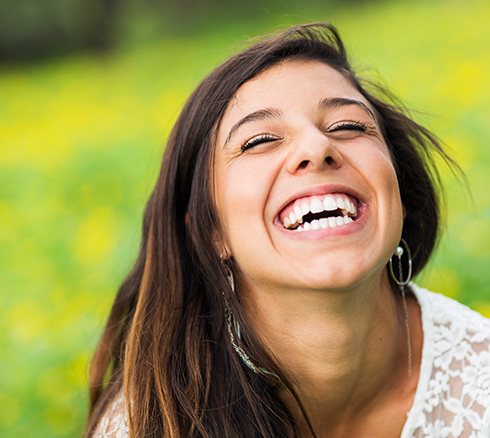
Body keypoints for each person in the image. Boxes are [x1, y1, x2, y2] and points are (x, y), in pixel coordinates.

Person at [84, 23, 490, 438]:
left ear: (400, 194)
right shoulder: (150, 423)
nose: (317, 148)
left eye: (348, 126)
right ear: (210, 233)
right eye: (260, 140)